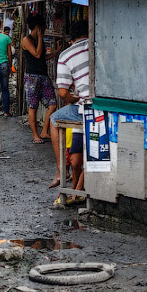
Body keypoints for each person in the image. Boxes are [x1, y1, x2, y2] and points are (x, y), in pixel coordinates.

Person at [50, 20, 90, 199]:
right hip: (104, 106)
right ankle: (75, 190)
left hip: (83, 108)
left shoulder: (66, 55)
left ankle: (61, 170)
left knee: (53, 119)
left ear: (70, 38)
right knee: (77, 160)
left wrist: (75, 98)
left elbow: (63, 92)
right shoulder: (98, 44)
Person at [20, 13, 57, 146]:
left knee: (53, 103)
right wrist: (40, 38)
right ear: (38, 27)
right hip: (32, 77)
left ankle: (44, 131)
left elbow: (42, 57)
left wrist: (55, 53)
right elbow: (36, 54)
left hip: (42, 75)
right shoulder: (27, 40)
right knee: (33, 106)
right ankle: (36, 135)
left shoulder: (36, 40)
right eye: (42, 27)